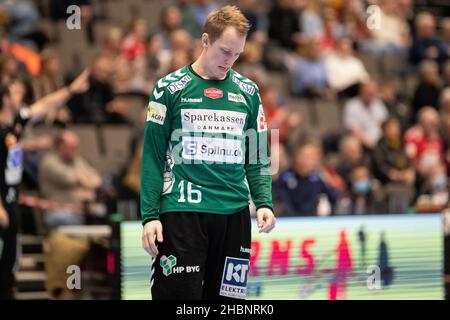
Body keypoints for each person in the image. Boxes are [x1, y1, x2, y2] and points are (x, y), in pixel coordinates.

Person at [140, 5, 275, 300]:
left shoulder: (249, 92)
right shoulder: (168, 89)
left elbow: (258, 153)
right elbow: (151, 155)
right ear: (205, 40)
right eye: (225, 51)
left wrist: (264, 201)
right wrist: (150, 216)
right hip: (183, 214)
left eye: (237, 54)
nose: (230, 61)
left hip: (234, 215)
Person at [0, 69, 89, 299]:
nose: (21, 95)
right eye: (16, 92)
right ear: (5, 99)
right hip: (1, 203)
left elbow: (43, 105)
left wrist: (70, 90)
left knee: (10, 263)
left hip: (11, 200)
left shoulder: (16, 122)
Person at [38, 130, 102, 229]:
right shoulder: (49, 162)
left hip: (83, 210)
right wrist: (83, 179)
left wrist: (81, 180)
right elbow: (69, 179)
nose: (75, 150)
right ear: (60, 146)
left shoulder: (78, 161)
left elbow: (97, 180)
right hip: (59, 210)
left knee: (106, 214)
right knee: (66, 219)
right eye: (71, 147)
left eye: (76, 147)